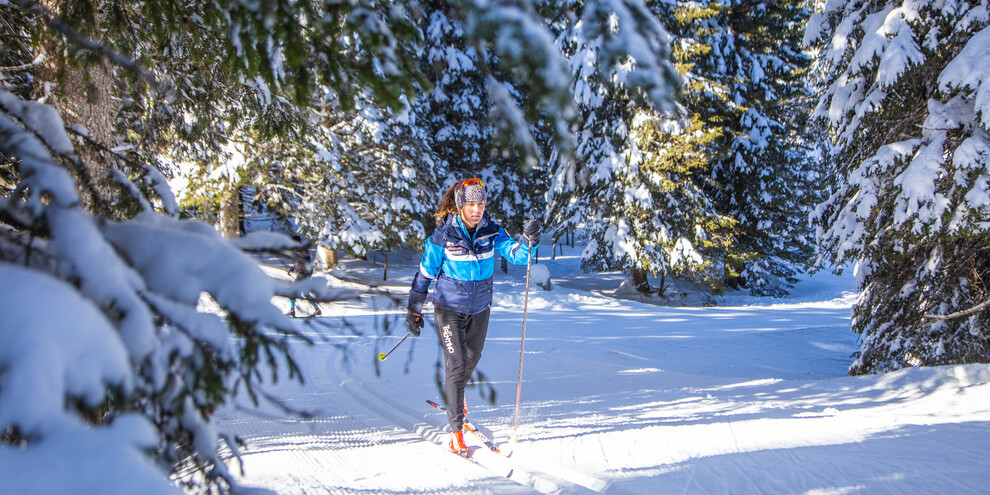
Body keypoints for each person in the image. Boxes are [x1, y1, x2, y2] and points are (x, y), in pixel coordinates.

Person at [406, 177, 541, 454]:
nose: (476, 209)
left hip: (480, 308)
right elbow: (425, 274)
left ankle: (457, 395)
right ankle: (456, 432)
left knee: (471, 359)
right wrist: (414, 308)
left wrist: (530, 241)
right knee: (456, 364)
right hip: (448, 309)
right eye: (471, 204)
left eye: (480, 203)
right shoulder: (443, 237)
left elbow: (517, 255)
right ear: (459, 206)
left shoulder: (492, 231)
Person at [287, 234, 322, 317]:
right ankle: (317, 310)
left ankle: (292, 311)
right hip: (301, 274)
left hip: (305, 274)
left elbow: (304, 258)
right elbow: (298, 262)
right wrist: (291, 269)